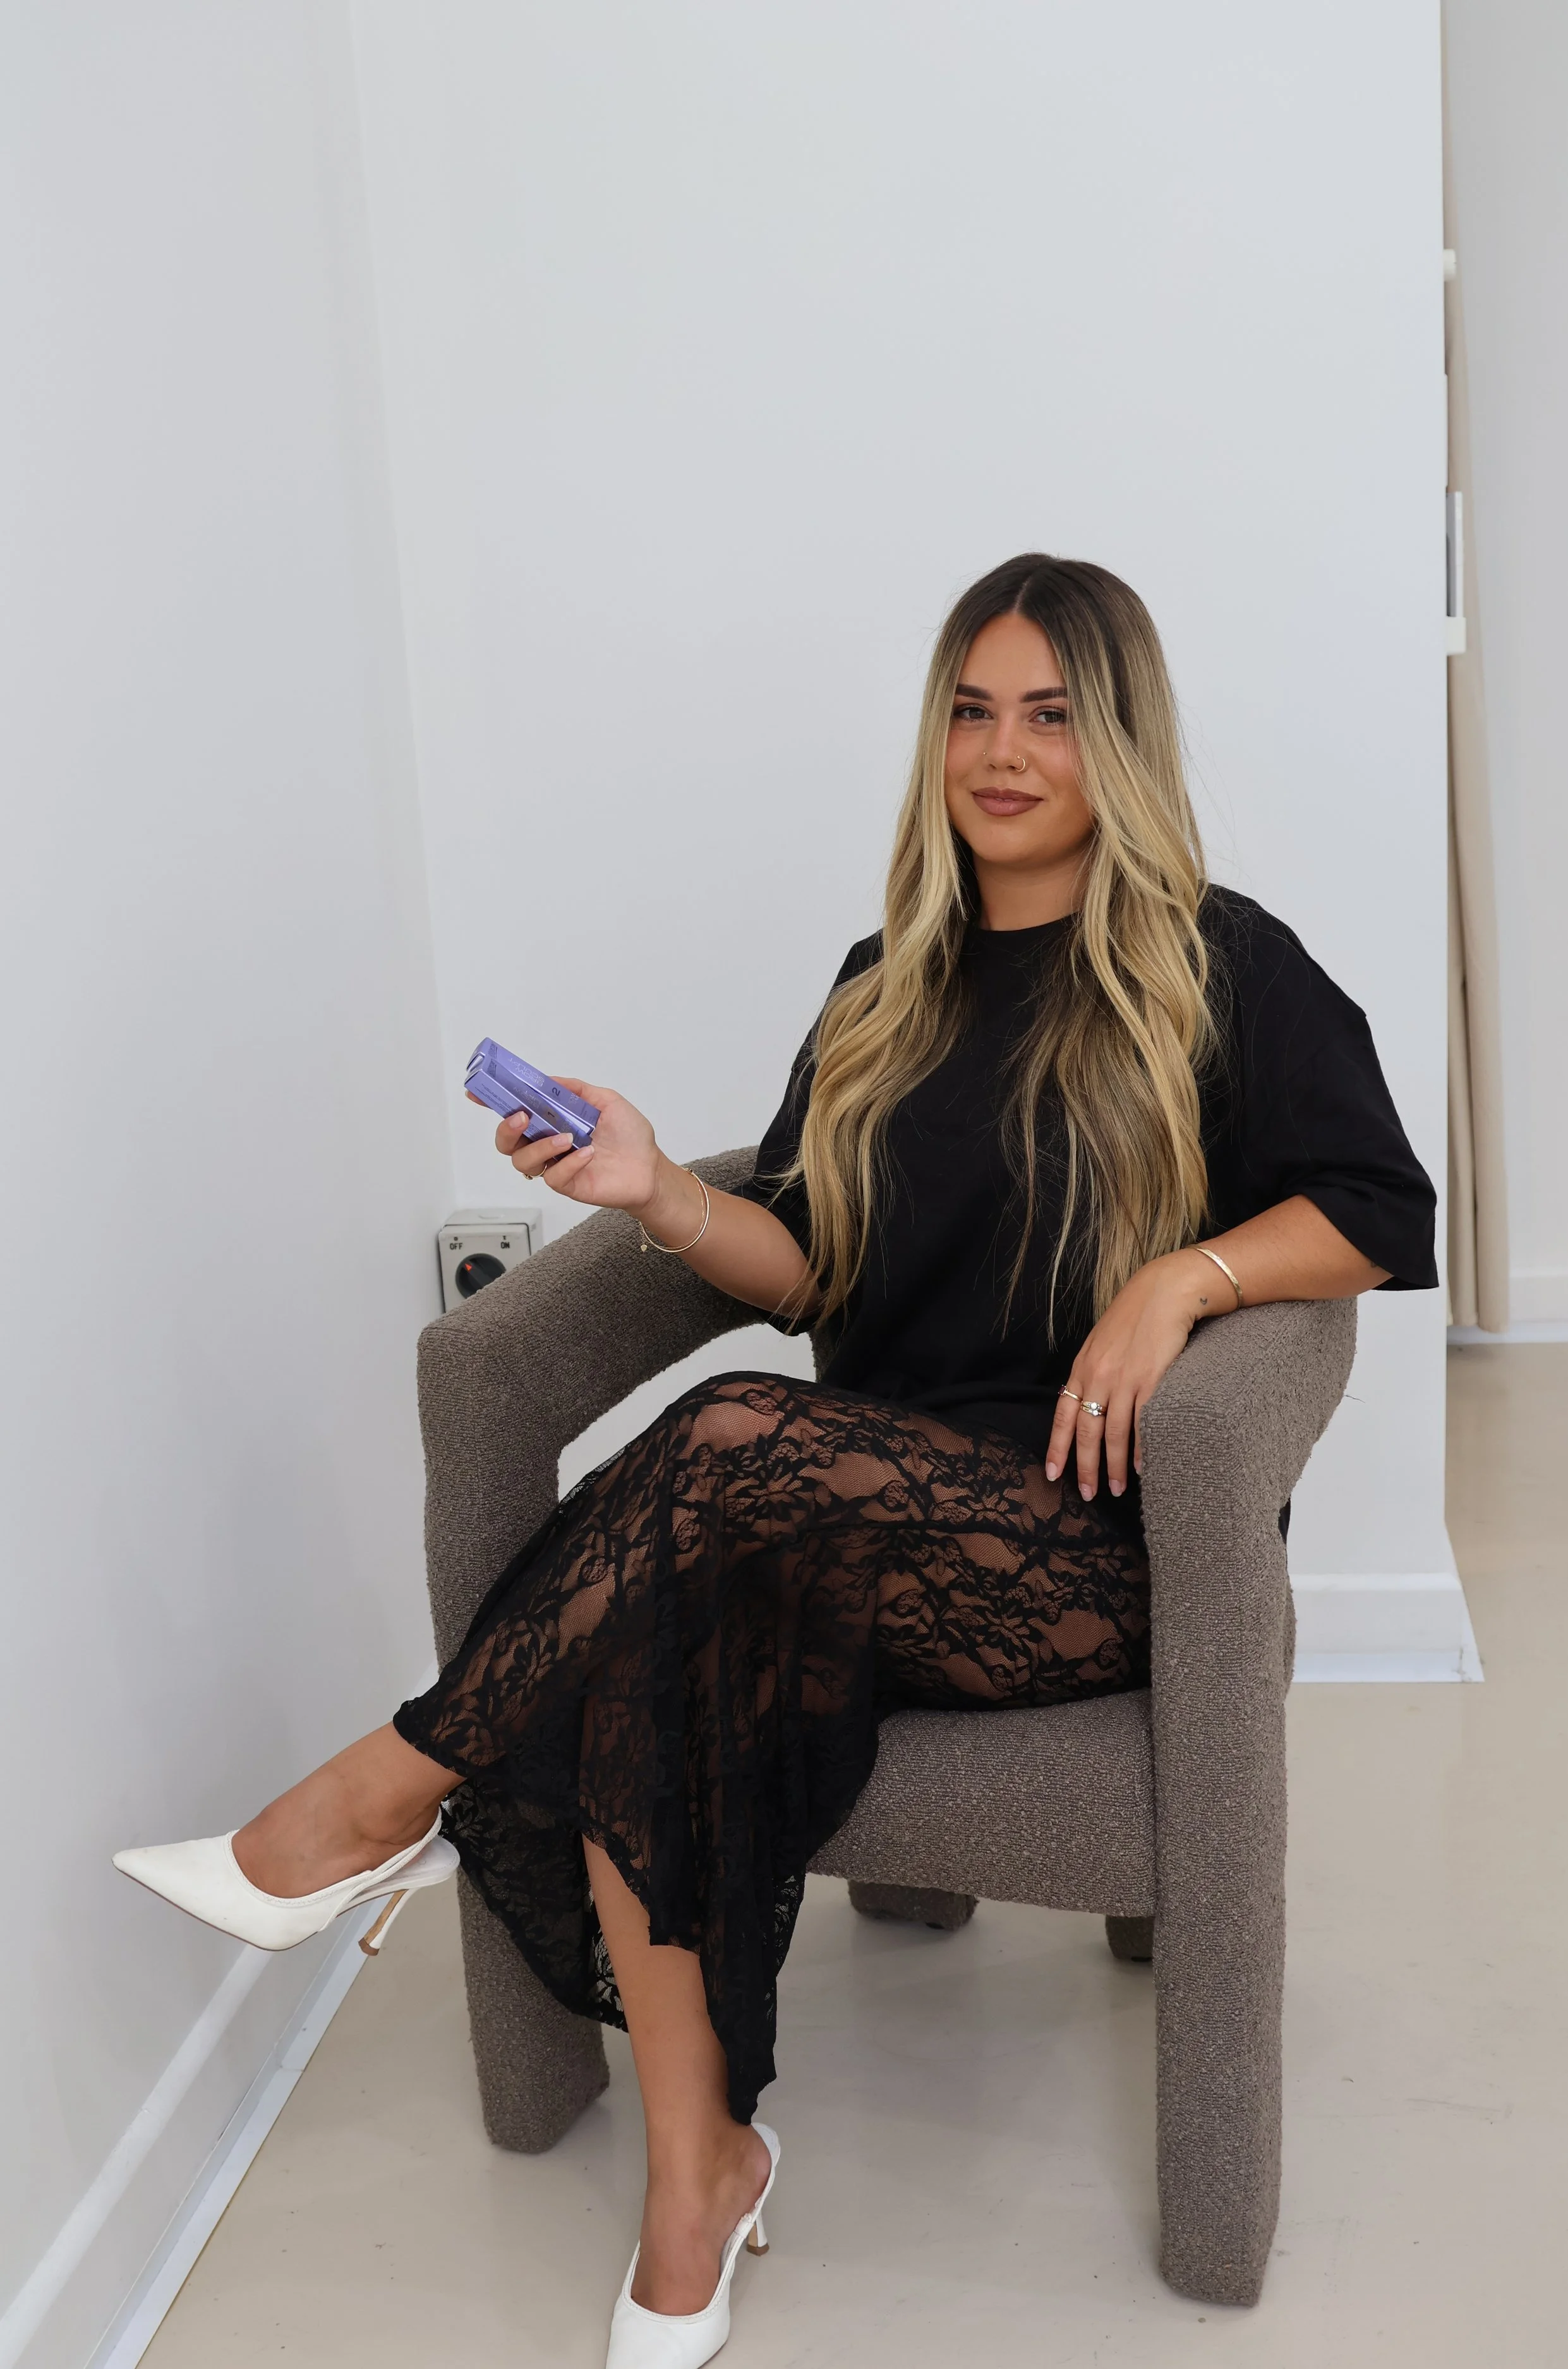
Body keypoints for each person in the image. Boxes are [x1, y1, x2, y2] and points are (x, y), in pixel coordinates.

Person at [114, 554, 1435, 2369]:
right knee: (661, 1625)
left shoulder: (1223, 966)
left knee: (724, 1439)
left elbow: (1377, 1209)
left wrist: (1177, 1283)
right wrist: (656, 1186)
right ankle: (700, 2179)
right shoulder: (884, 985)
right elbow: (813, 1261)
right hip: (856, 1510)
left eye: (1050, 715)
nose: (1001, 752)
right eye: (970, 710)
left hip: (1080, 1545)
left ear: (1119, 739)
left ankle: (387, 1791)